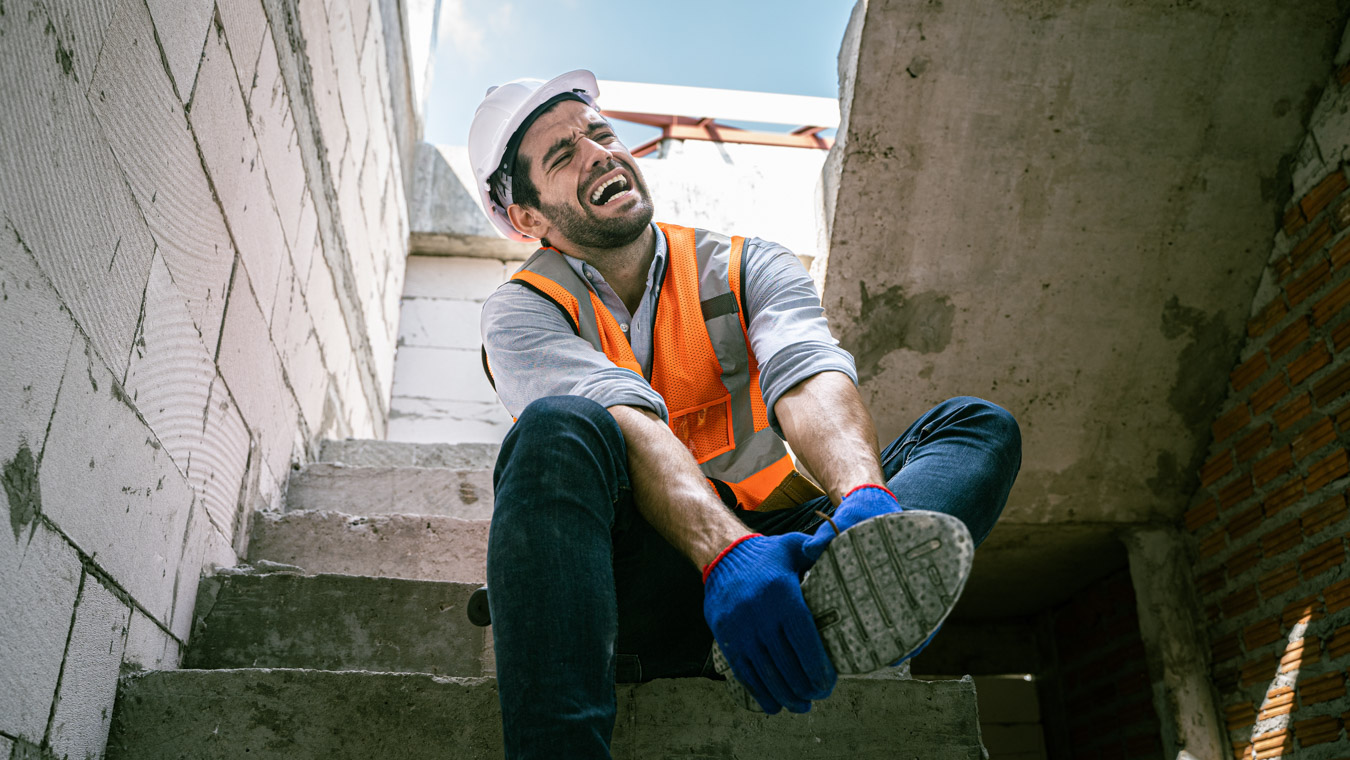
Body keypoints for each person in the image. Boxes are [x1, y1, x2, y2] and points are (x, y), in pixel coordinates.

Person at [467, 70, 1021, 759]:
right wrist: (725, 556)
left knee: (976, 425)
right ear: (528, 218)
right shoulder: (523, 310)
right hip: (651, 572)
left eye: (600, 134)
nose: (600, 154)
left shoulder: (745, 262)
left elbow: (806, 371)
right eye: (563, 155)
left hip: (787, 543)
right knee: (555, 431)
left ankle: (836, 595)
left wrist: (864, 496)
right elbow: (627, 418)